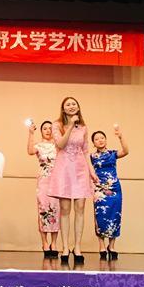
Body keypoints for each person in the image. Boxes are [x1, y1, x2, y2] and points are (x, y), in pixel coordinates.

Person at [47, 97, 99, 264]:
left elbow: (86, 151)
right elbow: (60, 144)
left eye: (74, 104)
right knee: (65, 209)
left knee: (80, 207)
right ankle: (64, 247)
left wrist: (91, 171)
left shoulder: (83, 127)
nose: (71, 106)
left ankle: (77, 247)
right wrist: (69, 126)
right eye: (68, 104)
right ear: (63, 108)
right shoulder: (57, 125)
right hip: (64, 168)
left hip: (80, 169)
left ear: (78, 107)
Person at [91, 126, 129, 260]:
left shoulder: (112, 153)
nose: (100, 140)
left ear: (106, 140)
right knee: (100, 216)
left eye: (102, 138)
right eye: (97, 139)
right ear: (93, 143)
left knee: (115, 216)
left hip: (115, 188)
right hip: (99, 189)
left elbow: (126, 151)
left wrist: (120, 136)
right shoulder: (91, 157)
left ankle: (112, 246)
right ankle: (101, 246)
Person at [27, 120, 60, 258]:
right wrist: (30, 133)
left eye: (50, 128)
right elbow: (30, 151)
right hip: (43, 181)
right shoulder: (38, 146)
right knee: (43, 210)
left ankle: (54, 243)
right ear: (41, 131)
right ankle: (45, 243)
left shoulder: (58, 145)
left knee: (56, 211)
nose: (48, 130)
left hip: (57, 182)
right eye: (45, 128)